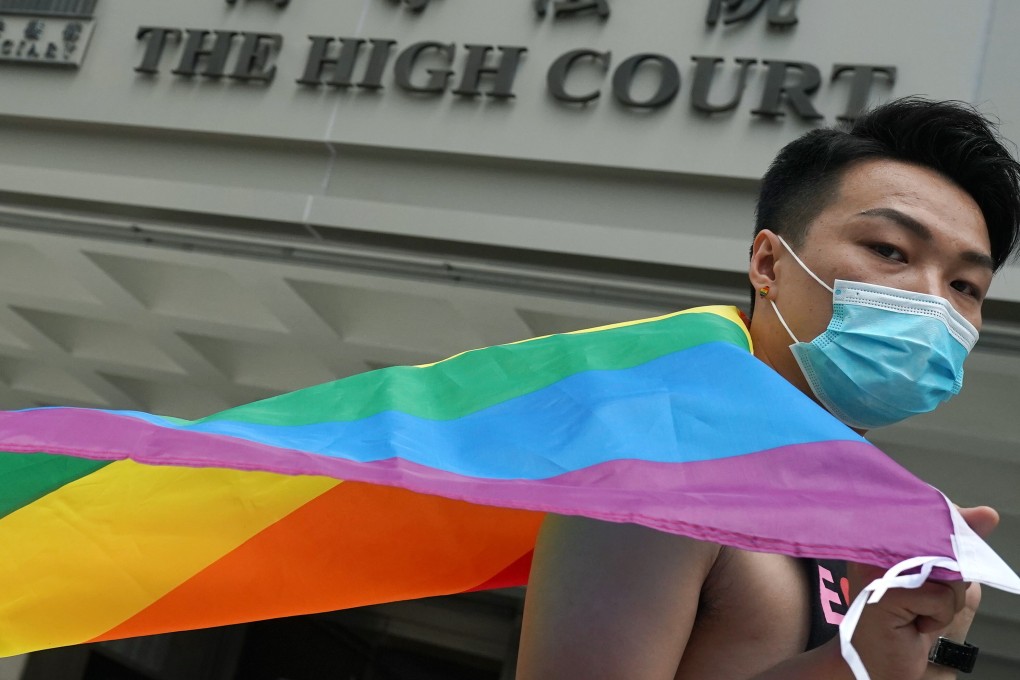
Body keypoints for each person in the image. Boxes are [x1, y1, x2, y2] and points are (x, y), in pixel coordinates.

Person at [515, 97, 1020, 680]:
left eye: (965, 285)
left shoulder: (894, 533)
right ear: (768, 264)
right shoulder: (653, 470)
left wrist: (937, 649)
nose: (932, 300)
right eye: (888, 250)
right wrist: (854, 662)